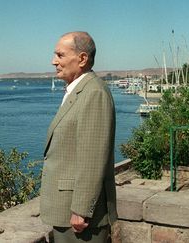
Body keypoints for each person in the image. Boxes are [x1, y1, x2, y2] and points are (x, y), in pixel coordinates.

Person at [40, 31, 117, 243]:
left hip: (80, 217)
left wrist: (81, 210)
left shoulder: (94, 93)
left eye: (60, 55)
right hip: (66, 210)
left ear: (82, 59)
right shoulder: (78, 91)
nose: (53, 61)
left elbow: (93, 157)